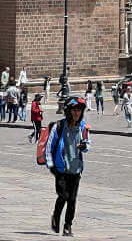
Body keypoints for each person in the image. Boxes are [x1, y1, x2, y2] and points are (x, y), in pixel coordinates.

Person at [45, 96, 90, 237]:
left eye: (79, 110)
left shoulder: (82, 126)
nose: (77, 113)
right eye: (74, 110)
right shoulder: (59, 127)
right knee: (63, 195)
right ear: (69, 111)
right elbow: (49, 147)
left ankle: (67, 226)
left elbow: (87, 145)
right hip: (61, 169)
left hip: (76, 169)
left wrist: (84, 146)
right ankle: (56, 216)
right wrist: (51, 166)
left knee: (72, 200)